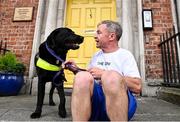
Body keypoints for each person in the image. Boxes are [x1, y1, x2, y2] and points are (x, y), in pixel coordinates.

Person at [64, 20, 142, 121]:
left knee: (111, 77)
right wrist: (76, 69)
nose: (95, 36)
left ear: (111, 36)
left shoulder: (125, 55)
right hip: (96, 105)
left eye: (99, 32)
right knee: (81, 77)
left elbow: (137, 87)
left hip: (120, 105)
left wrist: (104, 74)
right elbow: (89, 79)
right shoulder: (96, 56)